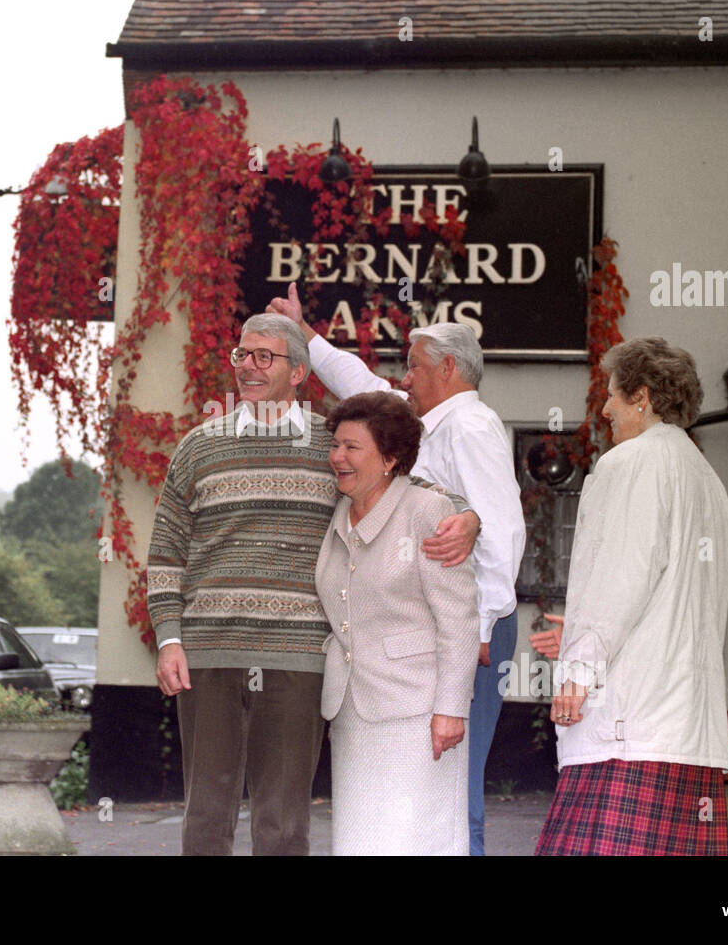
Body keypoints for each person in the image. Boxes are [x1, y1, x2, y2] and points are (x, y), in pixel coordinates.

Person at [147, 313, 479, 856]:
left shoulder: (335, 446)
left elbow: (411, 485)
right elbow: (165, 554)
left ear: (299, 372)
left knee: (282, 824)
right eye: (241, 354)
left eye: (264, 356)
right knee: (206, 816)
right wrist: (169, 638)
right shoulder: (197, 447)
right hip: (209, 654)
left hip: (299, 658)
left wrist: (468, 518)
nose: (248, 367)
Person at [266, 283, 525, 856]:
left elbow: (503, 529)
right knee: (415, 799)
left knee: (455, 793)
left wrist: (482, 628)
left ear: (449, 367)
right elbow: (362, 385)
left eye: (413, 368)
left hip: (470, 623)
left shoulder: (471, 426)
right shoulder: (424, 423)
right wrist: (305, 333)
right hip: (433, 627)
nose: (404, 379)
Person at [535, 337, 728, 855]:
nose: (604, 408)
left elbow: (622, 576)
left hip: (630, 726)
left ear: (641, 396)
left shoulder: (630, 464)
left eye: (611, 395)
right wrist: (580, 629)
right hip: (687, 728)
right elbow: (675, 598)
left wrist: (580, 666)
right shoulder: (707, 479)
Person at [317, 391, 481, 855]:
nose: (337, 457)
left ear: (390, 458)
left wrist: (451, 708)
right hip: (352, 713)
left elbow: (459, 619)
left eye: (352, 447)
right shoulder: (340, 512)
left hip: (420, 716)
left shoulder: (427, 511)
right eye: (336, 445)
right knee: (359, 844)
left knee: (417, 840)